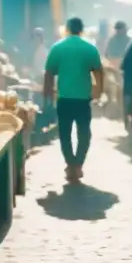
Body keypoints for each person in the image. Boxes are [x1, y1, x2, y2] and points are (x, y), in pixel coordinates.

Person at [45, 17, 104, 183]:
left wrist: (47, 93)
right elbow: (99, 71)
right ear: (82, 29)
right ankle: (78, 164)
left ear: (67, 29)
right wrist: (98, 90)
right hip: (83, 99)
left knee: (64, 133)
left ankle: (70, 164)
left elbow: (49, 72)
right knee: (84, 133)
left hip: (64, 98)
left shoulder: (58, 47)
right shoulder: (89, 48)